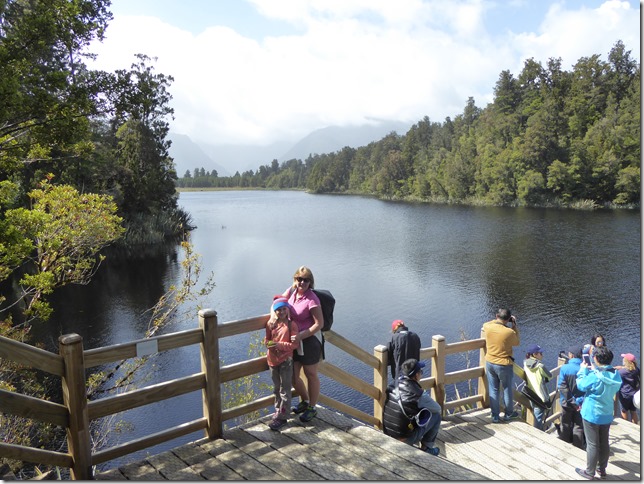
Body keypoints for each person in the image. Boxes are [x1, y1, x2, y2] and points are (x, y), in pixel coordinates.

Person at [279, 266, 324, 423]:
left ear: (311, 282)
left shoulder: (312, 299)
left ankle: (312, 407)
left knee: (310, 374)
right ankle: (304, 401)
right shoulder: (292, 292)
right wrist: (273, 317)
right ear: (295, 279)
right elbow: (278, 302)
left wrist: (301, 335)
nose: (302, 282)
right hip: (295, 341)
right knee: (292, 375)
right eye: (299, 279)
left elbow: (319, 323)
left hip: (310, 341)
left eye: (306, 280)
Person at [575, 346, 622, 480]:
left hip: (591, 414)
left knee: (592, 444)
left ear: (595, 358)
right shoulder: (615, 374)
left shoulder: (595, 376)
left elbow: (581, 385)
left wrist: (583, 370)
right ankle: (602, 470)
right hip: (607, 413)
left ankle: (589, 472)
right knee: (604, 442)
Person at [382, 358, 442, 455]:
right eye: (421, 372)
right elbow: (437, 408)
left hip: (387, 434)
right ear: (416, 375)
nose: (421, 374)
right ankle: (426, 449)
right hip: (403, 439)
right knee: (436, 416)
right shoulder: (418, 394)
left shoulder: (393, 384)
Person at [264, 297, 299, 430]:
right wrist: (271, 345)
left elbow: (294, 344)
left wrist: (279, 345)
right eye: (278, 309)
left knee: (285, 390)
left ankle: (283, 417)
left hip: (286, 361)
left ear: (288, 309)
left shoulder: (292, 325)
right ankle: (278, 410)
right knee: (276, 388)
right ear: (275, 311)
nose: (282, 312)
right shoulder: (270, 324)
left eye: (284, 308)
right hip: (272, 361)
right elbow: (267, 340)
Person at [482, 308, 520, 423]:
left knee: (493, 389)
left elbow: (490, 322)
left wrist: (499, 319)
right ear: (508, 319)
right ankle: (508, 414)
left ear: (496, 316)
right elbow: (517, 342)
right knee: (507, 388)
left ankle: (495, 416)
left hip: (490, 362)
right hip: (504, 364)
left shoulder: (487, 326)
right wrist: (514, 325)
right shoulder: (509, 332)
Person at [556, 345, 586, 449]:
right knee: (578, 426)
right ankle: (578, 447)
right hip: (581, 404)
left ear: (571, 355)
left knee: (565, 424)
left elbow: (562, 387)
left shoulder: (565, 368)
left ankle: (564, 446)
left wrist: (571, 401)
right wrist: (578, 402)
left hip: (566, 402)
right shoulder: (585, 369)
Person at [523, 344, 553, 430]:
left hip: (531, 393)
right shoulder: (540, 366)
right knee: (538, 418)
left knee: (536, 414)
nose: (542, 355)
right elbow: (550, 376)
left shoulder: (525, 363)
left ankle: (536, 431)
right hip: (541, 397)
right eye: (540, 353)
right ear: (535, 354)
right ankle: (537, 434)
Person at [615, 353, 640, 424]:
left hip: (625, 394)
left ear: (626, 361)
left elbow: (616, 376)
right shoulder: (637, 370)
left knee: (624, 411)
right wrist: (622, 367)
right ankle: (635, 426)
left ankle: (625, 425)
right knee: (633, 411)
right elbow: (629, 369)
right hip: (634, 394)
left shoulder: (621, 372)